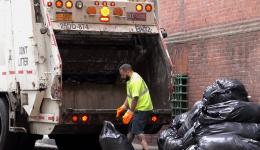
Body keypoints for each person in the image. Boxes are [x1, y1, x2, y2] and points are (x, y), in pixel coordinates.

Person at [116, 64, 153, 150]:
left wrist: (130, 112)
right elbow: (130, 95)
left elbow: (135, 98)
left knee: (138, 132)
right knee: (131, 131)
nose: (121, 77)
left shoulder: (135, 81)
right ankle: (125, 148)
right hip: (138, 108)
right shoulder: (130, 80)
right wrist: (124, 106)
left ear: (127, 71)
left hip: (142, 108)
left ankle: (146, 148)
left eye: (122, 74)